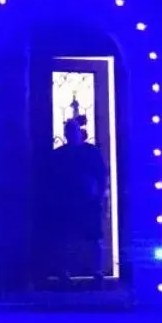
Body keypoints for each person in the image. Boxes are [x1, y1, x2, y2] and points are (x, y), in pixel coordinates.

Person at [47, 115, 108, 284]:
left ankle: (97, 271)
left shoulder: (91, 152)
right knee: (65, 238)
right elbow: (53, 180)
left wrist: (101, 196)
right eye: (68, 131)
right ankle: (64, 272)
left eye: (73, 130)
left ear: (80, 132)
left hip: (88, 201)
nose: (71, 134)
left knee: (94, 237)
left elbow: (102, 175)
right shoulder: (59, 155)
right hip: (67, 203)